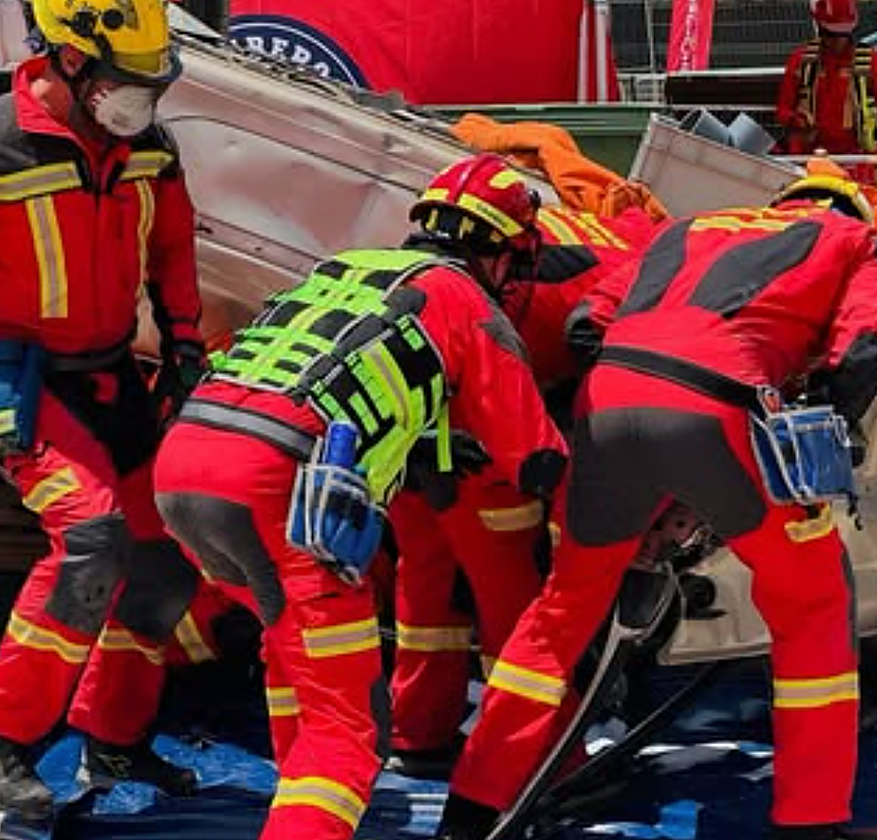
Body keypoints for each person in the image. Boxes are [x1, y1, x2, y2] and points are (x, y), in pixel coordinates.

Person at [435, 171, 877, 840]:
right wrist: (808, 432)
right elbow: (864, 350)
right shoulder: (852, 238)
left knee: (559, 616)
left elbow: (585, 325)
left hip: (608, 397)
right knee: (814, 604)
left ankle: (471, 809)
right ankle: (811, 819)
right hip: (725, 406)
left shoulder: (687, 228)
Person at [153, 153, 568, 840]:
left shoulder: (343, 269)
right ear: (501, 254)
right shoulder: (467, 303)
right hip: (285, 488)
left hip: (186, 461)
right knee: (347, 731)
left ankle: (293, 802)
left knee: (291, 650)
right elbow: (536, 459)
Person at [0, 0, 204, 819]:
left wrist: (186, 345)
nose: (143, 101)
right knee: (90, 539)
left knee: (164, 557)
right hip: (17, 379)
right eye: (127, 81)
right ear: (70, 61)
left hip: (111, 372)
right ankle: (3, 737)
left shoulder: (149, 146)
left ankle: (115, 734)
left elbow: (172, 247)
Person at [387, 203, 661, 779]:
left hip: (406, 444)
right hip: (486, 447)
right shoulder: (629, 270)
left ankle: (418, 732)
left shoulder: (391, 272)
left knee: (426, 578)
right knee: (515, 604)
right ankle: (537, 760)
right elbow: (533, 429)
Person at [775, 0, 877, 160]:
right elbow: (782, 111)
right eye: (831, 34)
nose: (838, 41)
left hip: (859, 158)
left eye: (844, 34)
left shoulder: (871, 62)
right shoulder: (801, 61)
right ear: (820, 28)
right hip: (810, 157)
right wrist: (797, 121)